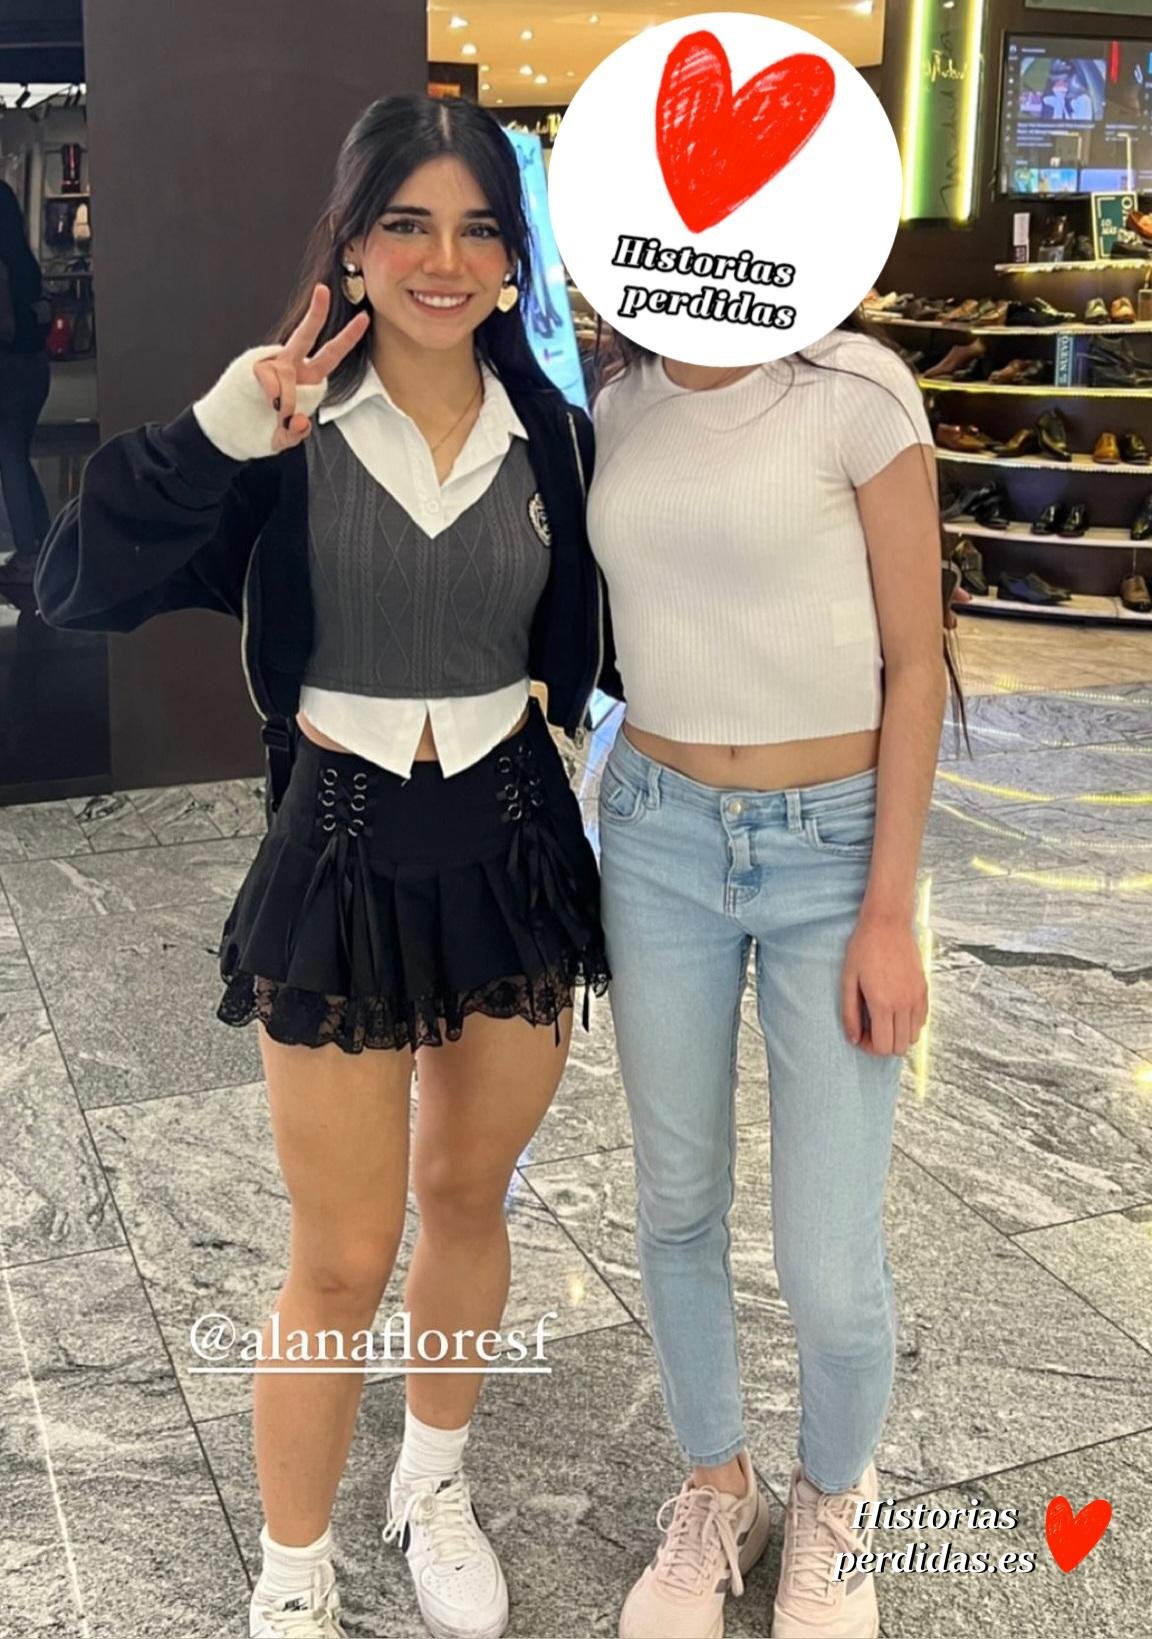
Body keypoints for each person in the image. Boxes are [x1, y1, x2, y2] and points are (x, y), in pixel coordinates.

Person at [34, 93, 611, 1639]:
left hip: (513, 843)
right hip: (340, 847)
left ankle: (433, 1479)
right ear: (352, 245)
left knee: (467, 1192)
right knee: (344, 1250)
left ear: (513, 257)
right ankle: (293, 1569)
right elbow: (76, 579)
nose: (443, 258)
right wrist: (216, 430)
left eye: (477, 227)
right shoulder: (281, 427)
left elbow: (627, 631)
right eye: (406, 223)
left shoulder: (554, 435)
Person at [586, 312, 963, 1639]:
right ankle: (716, 1486)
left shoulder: (858, 390)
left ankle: (834, 1496)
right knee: (677, 1197)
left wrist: (889, 910)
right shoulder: (621, 400)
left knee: (827, 1250)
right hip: (655, 833)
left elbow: (916, 664)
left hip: (834, 846)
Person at [0, 179, 52, 582]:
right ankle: (44, 540)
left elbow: (5, 327)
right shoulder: (24, 263)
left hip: (9, 368)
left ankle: (30, 554)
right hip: (35, 368)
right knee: (17, 454)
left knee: (9, 458)